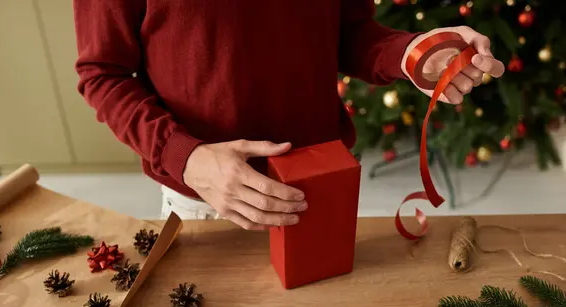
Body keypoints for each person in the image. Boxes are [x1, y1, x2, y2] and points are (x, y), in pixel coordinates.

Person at [73, 1, 504, 230]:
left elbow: (348, 30)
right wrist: (186, 158)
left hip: (318, 186)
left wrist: (410, 54)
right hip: (204, 202)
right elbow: (102, 74)